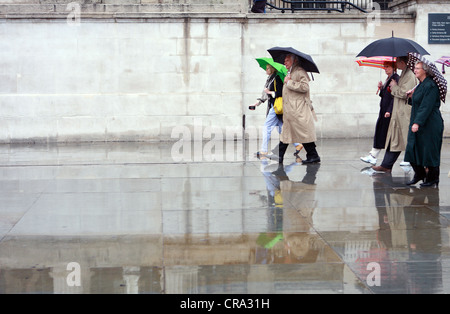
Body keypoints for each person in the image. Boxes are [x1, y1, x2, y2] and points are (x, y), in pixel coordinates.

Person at [372, 56, 417, 173]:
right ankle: (386, 165)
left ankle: (424, 167)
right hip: (398, 113)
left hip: (404, 114)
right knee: (394, 139)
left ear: (402, 62)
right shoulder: (404, 73)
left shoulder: (410, 75)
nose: (396, 65)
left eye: (397, 62)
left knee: (408, 141)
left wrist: (394, 86)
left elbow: (404, 93)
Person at [405, 61, 444, 187]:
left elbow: (426, 107)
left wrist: (417, 123)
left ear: (425, 70)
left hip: (430, 124)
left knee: (429, 151)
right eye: (415, 68)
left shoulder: (431, 85)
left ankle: (433, 178)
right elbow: (418, 103)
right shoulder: (420, 85)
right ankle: (420, 174)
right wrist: (411, 96)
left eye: (417, 68)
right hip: (420, 122)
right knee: (412, 148)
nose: (415, 70)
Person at [277, 54, 320, 165]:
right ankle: (279, 156)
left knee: (302, 134)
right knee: (288, 133)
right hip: (292, 110)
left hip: (298, 109)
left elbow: (305, 87)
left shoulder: (299, 71)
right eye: (284, 60)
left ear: (294, 60)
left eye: (287, 60)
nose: (284, 62)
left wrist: (289, 82)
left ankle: (313, 155)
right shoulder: (291, 72)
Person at [253, 64, 303, 158]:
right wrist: (258, 102)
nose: (266, 70)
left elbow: (281, 92)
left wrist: (270, 92)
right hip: (274, 106)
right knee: (282, 129)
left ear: (272, 69)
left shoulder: (277, 78)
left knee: (267, 127)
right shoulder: (270, 78)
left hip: (276, 107)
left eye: (267, 68)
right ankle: (298, 144)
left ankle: (264, 150)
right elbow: (264, 94)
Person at [361, 61, 399, 166]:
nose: (385, 69)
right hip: (383, 110)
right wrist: (382, 88)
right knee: (380, 132)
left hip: (388, 112)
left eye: (387, 67)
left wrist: (390, 110)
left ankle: (374, 155)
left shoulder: (395, 78)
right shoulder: (389, 79)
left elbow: (394, 97)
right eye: (384, 67)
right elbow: (384, 95)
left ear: (393, 67)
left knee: (385, 134)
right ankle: (373, 155)